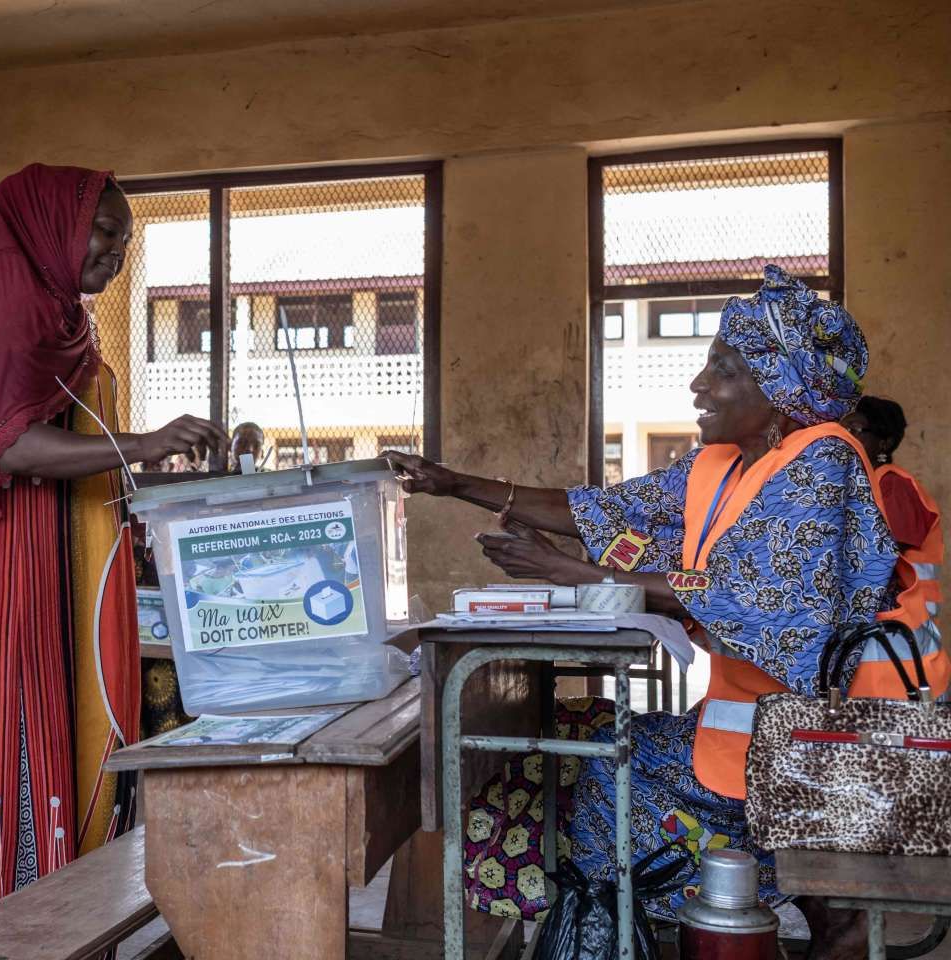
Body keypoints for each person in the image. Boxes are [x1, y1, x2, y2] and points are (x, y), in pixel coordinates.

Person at [386, 266, 947, 958]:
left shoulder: (821, 463)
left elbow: (762, 599)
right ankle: (649, 919)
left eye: (724, 369)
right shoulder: (725, 465)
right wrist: (451, 483)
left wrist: (577, 573)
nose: (699, 386)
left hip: (831, 746)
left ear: (778, 392)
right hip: (763, 731)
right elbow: (595, 509)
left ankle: (626, 926)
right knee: (597, 741)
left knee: (608, 766)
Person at [0, 163, 227, 917]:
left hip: (62, 555)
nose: (116, 254)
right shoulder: (8, 314)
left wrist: (150, 465)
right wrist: (143, 444)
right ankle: (22, 927)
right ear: (52, 224)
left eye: (126, 240)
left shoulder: (64, 317)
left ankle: (77, 920)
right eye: (106, 232)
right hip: (9, 564)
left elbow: (83, 438)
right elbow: (15, 449)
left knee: (90, 742)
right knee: (29, 757)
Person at [843, 397, 942, 612]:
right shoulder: (860, 483)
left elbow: (882, 555)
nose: (844, 438)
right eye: (842, 428)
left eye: (855, 430)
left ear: (884, 443)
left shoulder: (894, 486)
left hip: (903, 615)